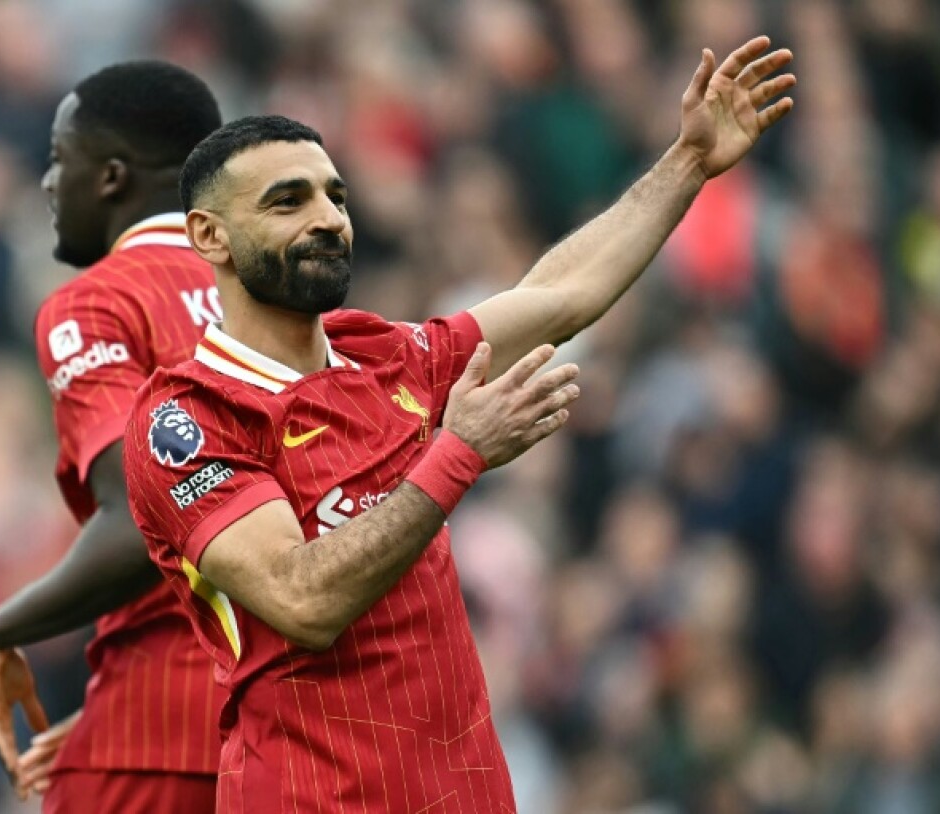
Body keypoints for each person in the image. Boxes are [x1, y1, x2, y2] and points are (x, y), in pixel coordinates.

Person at [124, 36, 795, 813]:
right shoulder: (189, 418)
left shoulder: (384, 357)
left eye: (335, 196)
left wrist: (687, 162)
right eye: (287, 201)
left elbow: (561, 295)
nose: (328, 219)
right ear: (209, 236)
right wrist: (458, 454)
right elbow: (301, 599)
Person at [0, 61, 225, 812]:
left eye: (58, 158)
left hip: (161, 729)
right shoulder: (284, 303)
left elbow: (148, 520)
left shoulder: (96, 304)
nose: (48, 183)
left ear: (111, 176)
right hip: (296, 726)